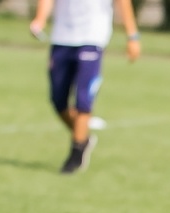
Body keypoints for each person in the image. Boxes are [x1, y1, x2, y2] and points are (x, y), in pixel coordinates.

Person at [29, 0, 139, 174]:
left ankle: (76, 152)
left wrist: (132, 36)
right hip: (62, 37)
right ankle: (83, 138)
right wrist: (40, 19)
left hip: (92, 37)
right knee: (58, 99)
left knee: (83, 100)